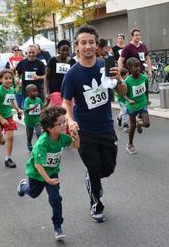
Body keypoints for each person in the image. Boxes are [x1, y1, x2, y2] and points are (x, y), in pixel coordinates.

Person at [61, 25, 126, 223]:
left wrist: (119, 79)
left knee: (108, 168)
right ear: (77, 47)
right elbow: (65, 101)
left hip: (106, 127)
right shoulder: (72, 74)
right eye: (83, 43)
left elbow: (122, 93)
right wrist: (70, 120)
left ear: (96, 45)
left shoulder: (104, 67)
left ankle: (93, 179)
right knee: (93, 168)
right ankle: (96, 204)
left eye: (91, 42)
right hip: (84, 130)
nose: (88, 46)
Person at [17, 106, 79, 241]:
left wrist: (75, 135)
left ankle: (58, 227)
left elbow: (75, 146)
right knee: (33, 194)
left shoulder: (62, 137)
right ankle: (23, 186)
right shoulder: (42, 143)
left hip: (52, 173)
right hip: (37, 174)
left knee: (55, 199)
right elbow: (38, 164)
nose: (65, 125)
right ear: (50, 128)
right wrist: (47, 180)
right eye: (61, 123)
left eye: (65, 121)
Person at [0, 69, 23, 168]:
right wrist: (1, 119)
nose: (8, 80)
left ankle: (8, 158)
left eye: (10, 78)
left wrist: (18, 109)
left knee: (10, 136)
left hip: (8, 116)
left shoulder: (11, 89)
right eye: (6, 78)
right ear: (0, 80)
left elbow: (11, 101)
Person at [124, 57, 150, 154]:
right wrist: (129, 100)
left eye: (138, 66)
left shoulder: (144, 78)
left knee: (146, 124)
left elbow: (146, 89)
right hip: (132, 106)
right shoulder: (127, 81)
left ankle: (140, 124)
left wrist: (147, 99)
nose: (138, 68)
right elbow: (123, 94)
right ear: (130, 69)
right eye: (135, 67)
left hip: (142, 103)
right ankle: (130, 144)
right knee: (132, 126)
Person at [45, 40, 76, 106]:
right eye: (63, 50)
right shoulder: (52, 60)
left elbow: (75, 78)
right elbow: (46, 77)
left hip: (68, 94)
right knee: (58, 114)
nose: (65, 52)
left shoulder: (72, 61)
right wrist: (46, 92)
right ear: (58, 50)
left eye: (67, 50)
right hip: (55, 93)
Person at [24, 84, 43, 152]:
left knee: (39, 133)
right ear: (29, 93)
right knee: (30, 135)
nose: (36, 92)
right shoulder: (27, 100)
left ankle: (39, 145)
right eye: (34, 91)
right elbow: (25, 109)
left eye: (37, 91)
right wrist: (33, 107)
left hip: (37, 120)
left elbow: (43, 107)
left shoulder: (38, 99)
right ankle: (29, 142)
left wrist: (48, 101)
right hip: (29, 121)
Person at [115, 67, 130, 132]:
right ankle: (125, 125)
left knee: (124, 110)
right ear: (123, 76)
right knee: (125, 111)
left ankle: (119, 118)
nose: (128, 76)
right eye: (127, 75)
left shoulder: (126, 81)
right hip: (121, 99)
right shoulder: (120, 82)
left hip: (125, 99)